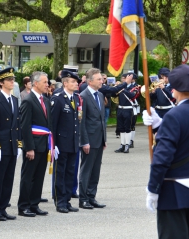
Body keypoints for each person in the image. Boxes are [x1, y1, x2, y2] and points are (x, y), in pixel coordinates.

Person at [144, 65, 189, 239]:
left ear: (176, 90)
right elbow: (187, 141)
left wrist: (153, 189)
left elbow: (161, 159)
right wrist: (160, 124)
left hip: (173, 193)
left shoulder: (174, 116)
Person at [0, 67, 22, 221]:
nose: (12, 82)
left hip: (12, 145)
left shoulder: (14, 99)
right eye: (9, 80)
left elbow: (17, 124)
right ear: (1, 82)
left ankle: (3, 207)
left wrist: (19, 144)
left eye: (13, 79)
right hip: (1, 145)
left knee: (8, 179)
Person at [18, 71, 51, 217]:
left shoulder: (46, 100)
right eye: (44, 82)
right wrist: (29, 147)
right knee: (28, 176)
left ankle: (34, 203)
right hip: (33, 145)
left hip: (44, 144)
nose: (47, 84)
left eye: (47, 82)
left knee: (39, 176)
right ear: (35, 83)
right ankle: (24, 205)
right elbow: (25, 126)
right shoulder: (28, 100)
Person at [51, 70, 80, 213]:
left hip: (73, 142)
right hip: (61, 143)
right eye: (73, 82)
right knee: (60, 172)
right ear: (65, 83)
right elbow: (53, 124)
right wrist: (53, 144)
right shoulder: (58, 99)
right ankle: (60, 201)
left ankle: (67, 199)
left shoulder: (76, 98)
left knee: (70, 173)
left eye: (76, 82)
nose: (76, 84)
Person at [79, 68, 107, 210]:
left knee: (96, 170)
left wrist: (104, 138)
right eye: (99, 79)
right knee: (87, 169)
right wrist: (84, 141)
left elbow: (102, 119)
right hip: (89, 139)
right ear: (90, 81)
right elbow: (82, 121)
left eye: (101, 79)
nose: (102, 81)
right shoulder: (83, 96)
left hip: (99, 139)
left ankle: (91, 196)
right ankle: (83, 198)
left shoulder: (100, 95)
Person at [113, 74, 139, 153]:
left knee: (127, 128)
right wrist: (115, 88)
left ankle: (127, 145)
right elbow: (113, 95)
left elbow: (132, 96)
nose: (123, 80)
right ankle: (122, 145)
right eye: (123, 78)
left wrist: (123, 88)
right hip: (120, 108)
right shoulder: (120, 87)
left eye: (125, 79)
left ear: (130, 79)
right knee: (121, 128)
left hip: (128, 109)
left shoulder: (135, 88)